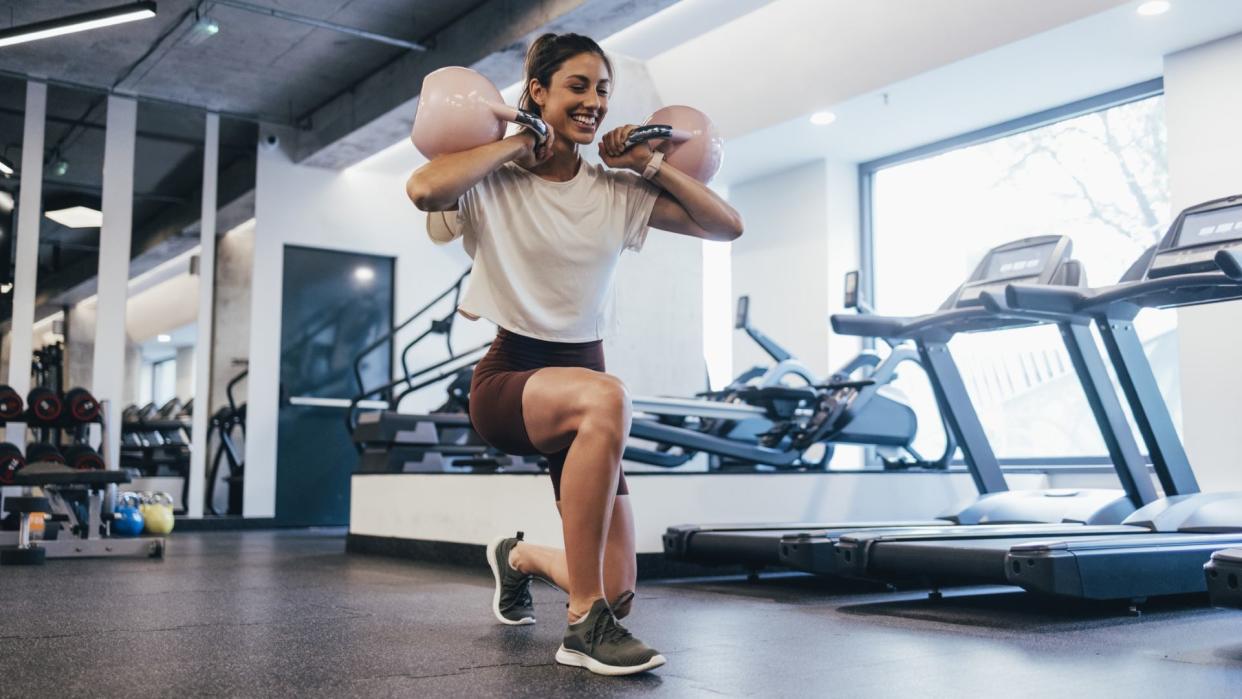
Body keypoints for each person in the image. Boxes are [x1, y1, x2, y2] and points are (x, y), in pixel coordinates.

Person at [406, 32, 743, 676]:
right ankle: (582, 627)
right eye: (578, 87)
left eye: (603, 90)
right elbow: (424, 190)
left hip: (587, 394)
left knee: (620, 590)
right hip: (512, 381)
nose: (594, 102)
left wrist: (647, 164)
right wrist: (514, 142)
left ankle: (521, 559)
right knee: (608, 394)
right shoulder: (494, 178)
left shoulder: (613, 191)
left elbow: (725, 225)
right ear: (537, 91)